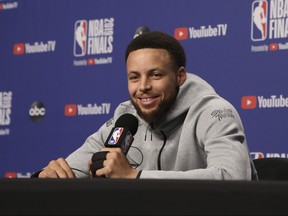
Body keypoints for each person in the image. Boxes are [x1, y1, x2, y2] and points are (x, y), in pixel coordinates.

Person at [31, 31, 255, 180]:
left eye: (156, 75)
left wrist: (134, 176)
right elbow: (79, 162)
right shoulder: (126, 117)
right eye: (134, 77)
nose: (143, 87)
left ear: (180, 76)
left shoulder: (215, 112)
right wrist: (49, 175)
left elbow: (233, 177)